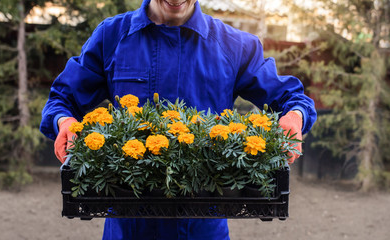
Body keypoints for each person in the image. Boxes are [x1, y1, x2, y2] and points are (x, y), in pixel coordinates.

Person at [40, 0, 317, 239]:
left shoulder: (233, 45)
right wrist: (63, 122)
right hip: (128, 227)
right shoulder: (112, 37)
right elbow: (62, 99)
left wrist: (294, 117)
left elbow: (292, 98)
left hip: (202, 227)